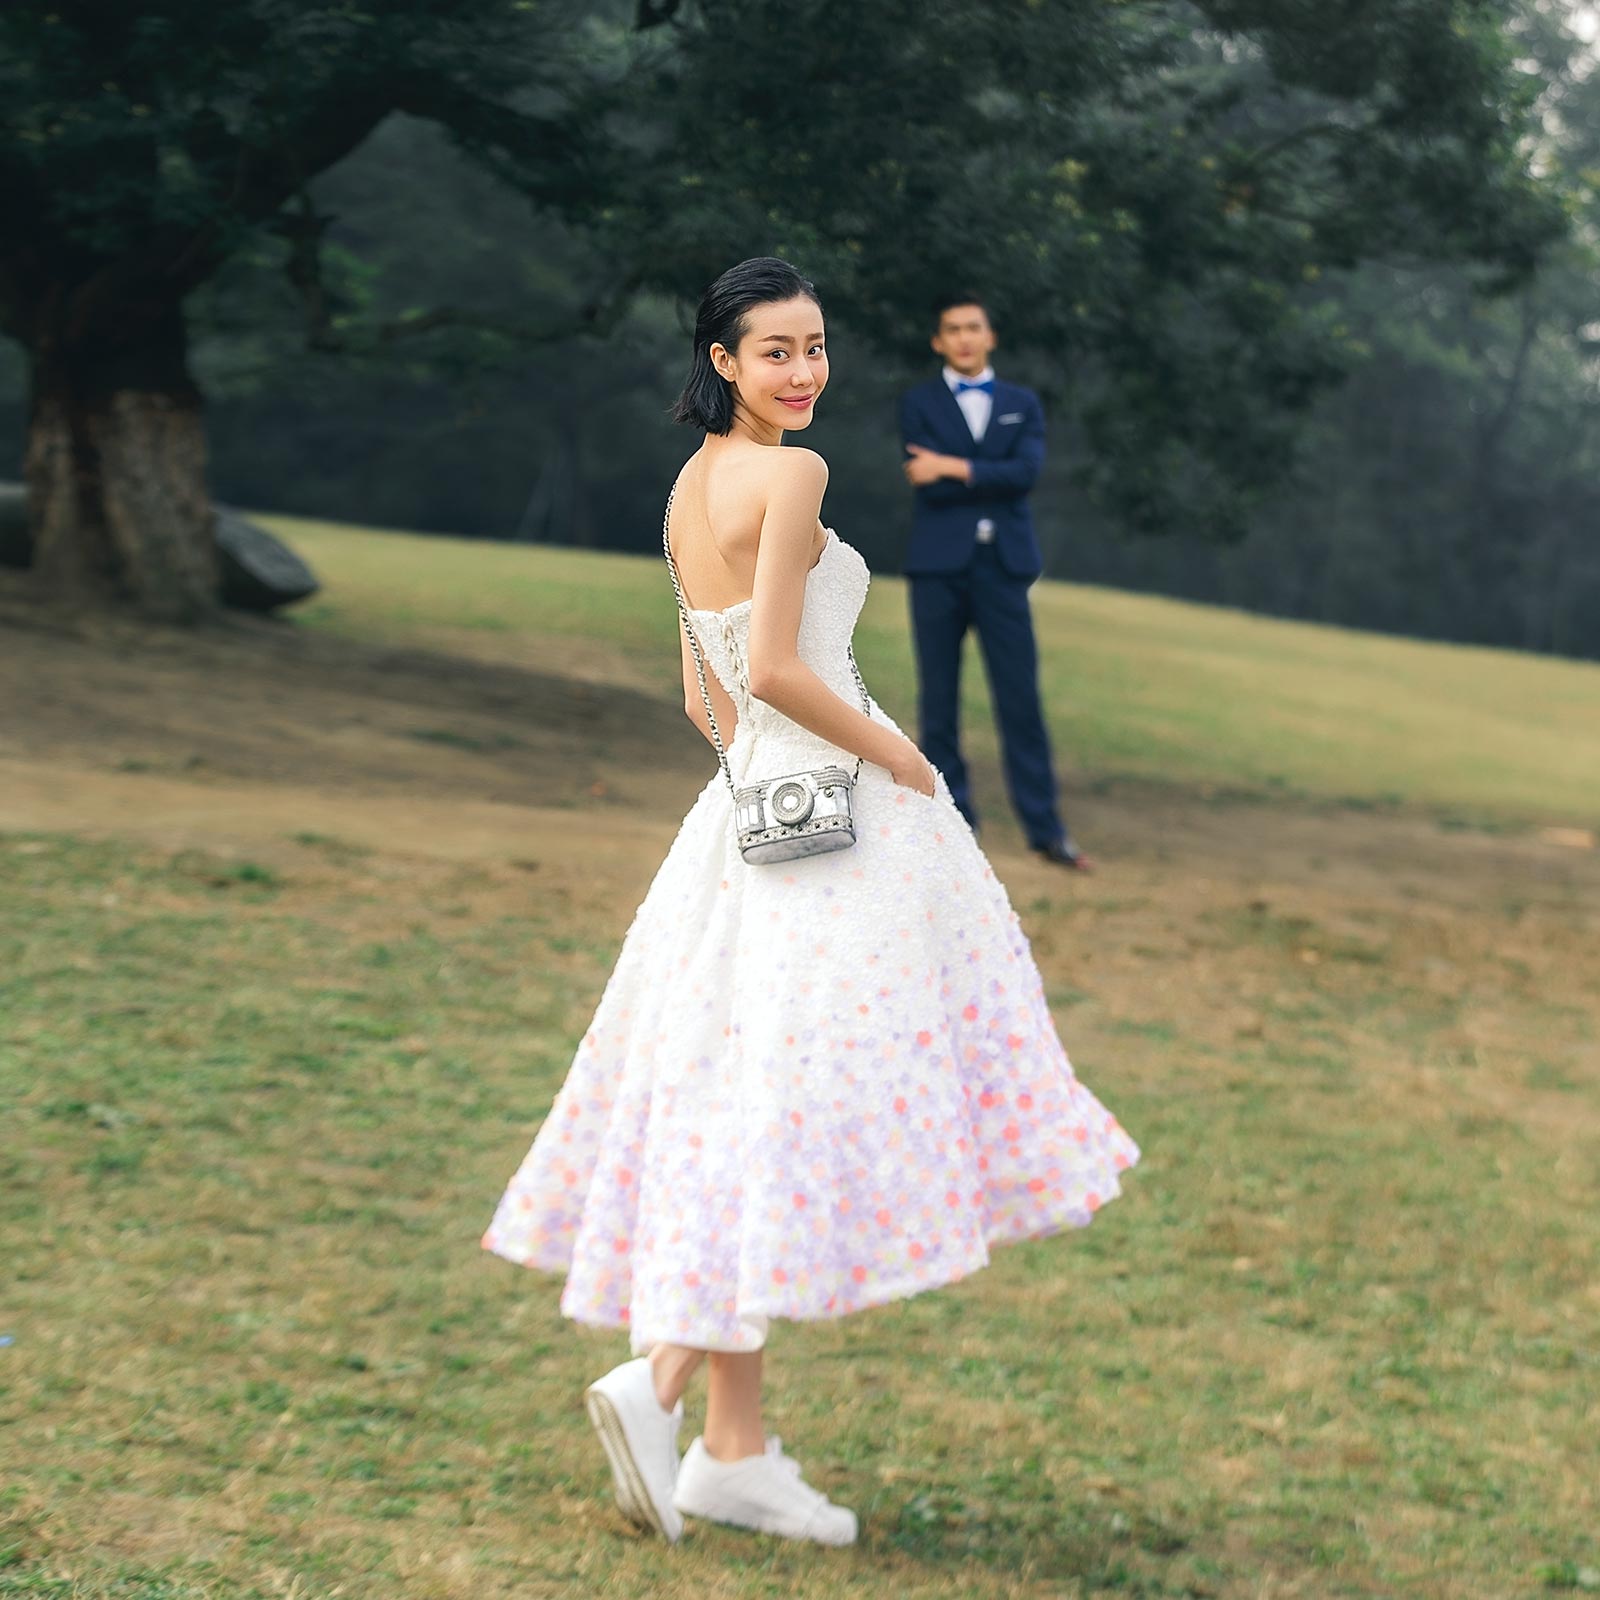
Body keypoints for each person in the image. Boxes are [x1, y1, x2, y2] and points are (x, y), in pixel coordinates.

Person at [482, 258, 1138, 1547]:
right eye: (774, 350)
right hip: (836, 803)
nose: (802, 371)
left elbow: (706, 692)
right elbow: (777, 666)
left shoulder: (688, 488)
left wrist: (765, 779)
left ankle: (732, 1452)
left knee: (747, 1091)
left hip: (745, 812)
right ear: (721, 361)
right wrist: (900, 760)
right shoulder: (792, 476)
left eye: (815, 346)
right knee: (815, 1098)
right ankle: (662, 1375)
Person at [900, 296, 1091, 868]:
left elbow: (1025, 475)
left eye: (973, 328)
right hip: (937, 567)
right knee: (938, 699)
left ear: (991, 336)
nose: (964, 338)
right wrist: (985, 475)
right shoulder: (918, 403)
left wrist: (950, 466)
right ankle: (954, 823)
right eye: (952, 329)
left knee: (1020, 698)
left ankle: (1045, 828)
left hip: (1004, 568)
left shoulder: (1021, 403)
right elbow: (925, 483)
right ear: (938, 341)